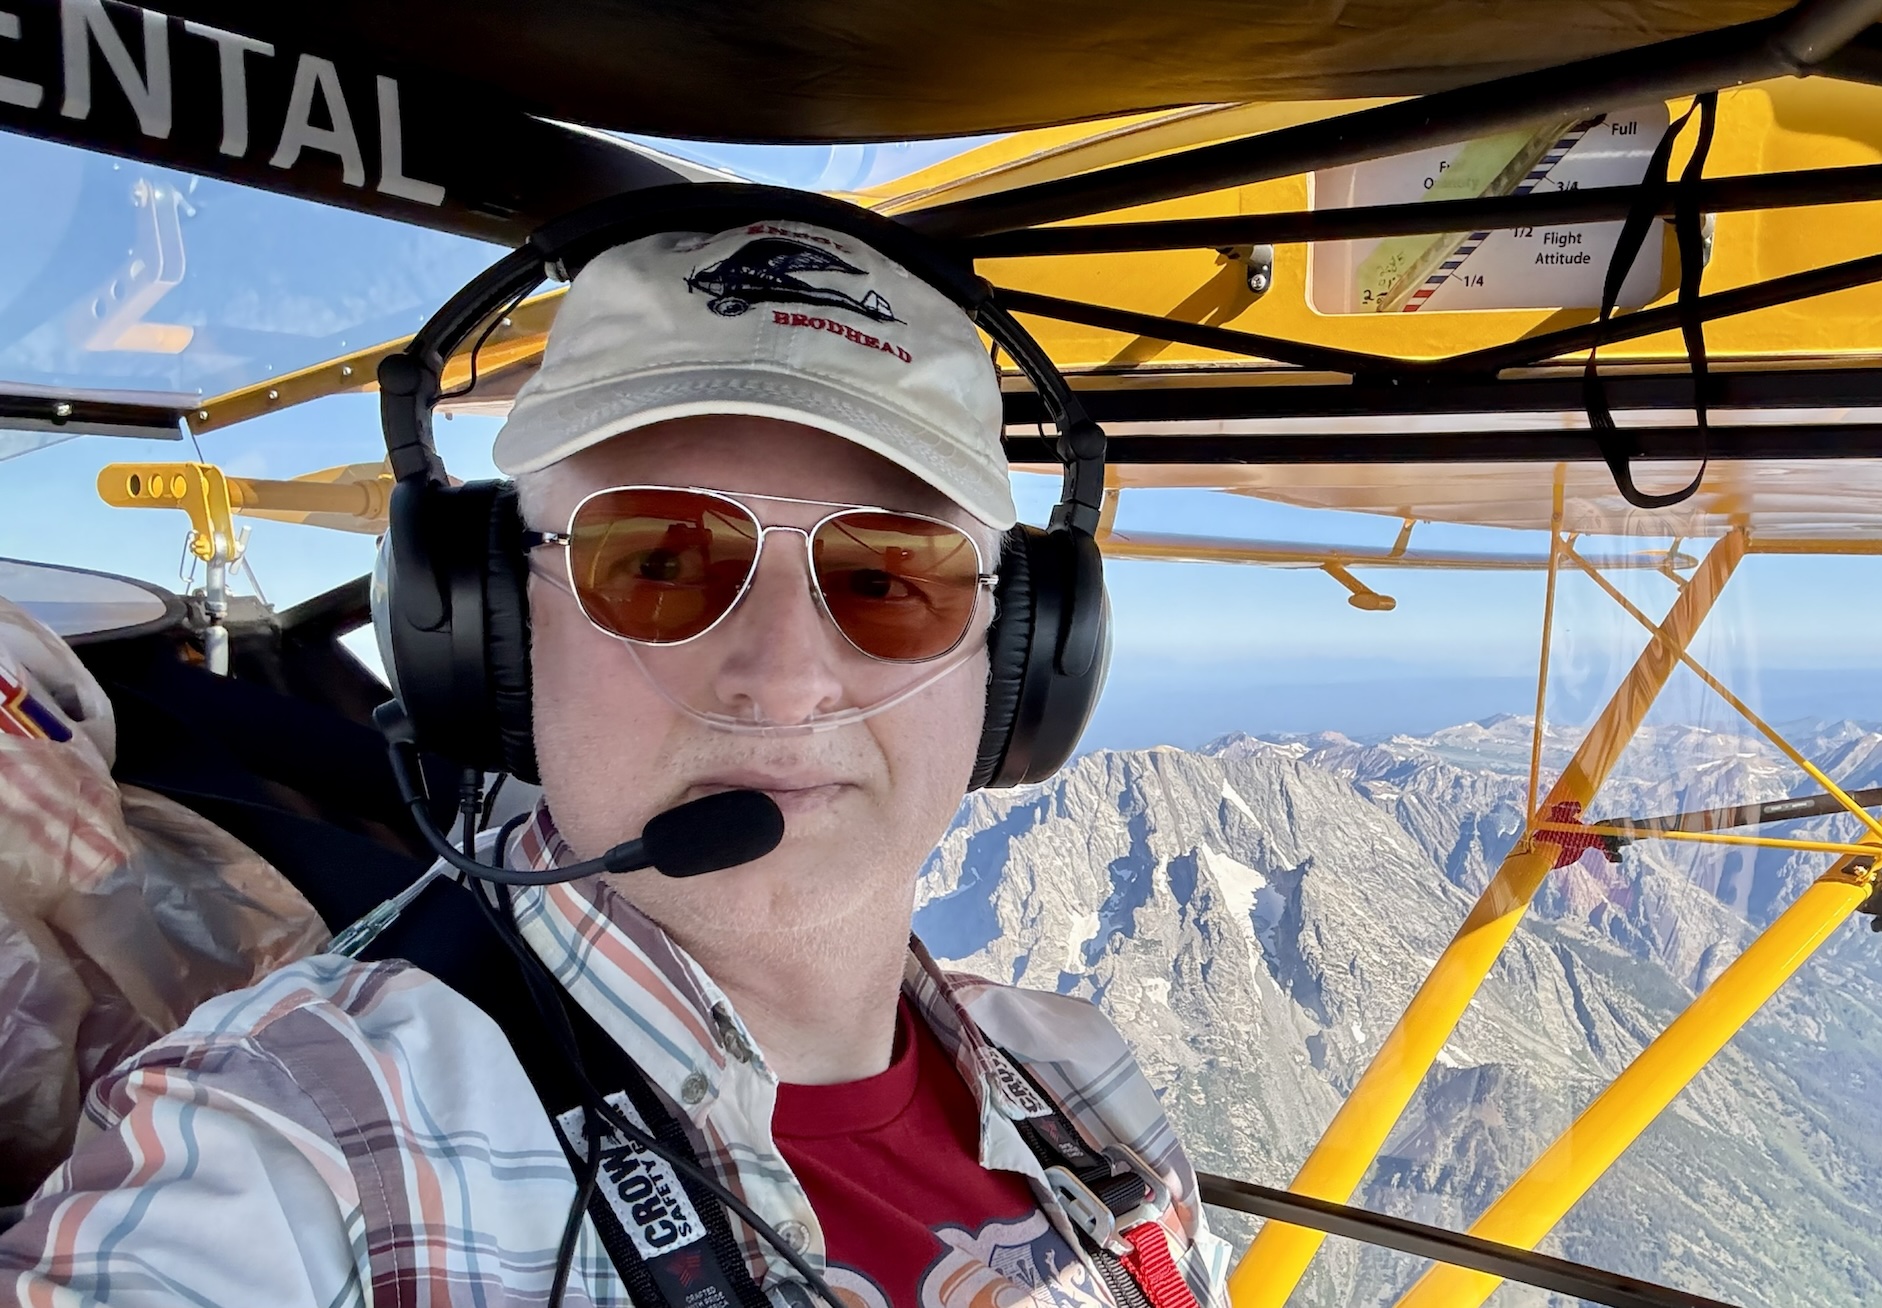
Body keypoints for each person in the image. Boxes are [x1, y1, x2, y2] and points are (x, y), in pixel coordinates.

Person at [0, 219, 1227, 1308]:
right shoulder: (304, 1138)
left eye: (888, 579)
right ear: (491, 638)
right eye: (657, 564)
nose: (782, 676)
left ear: (1017, 664)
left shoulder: (1081, 1086)